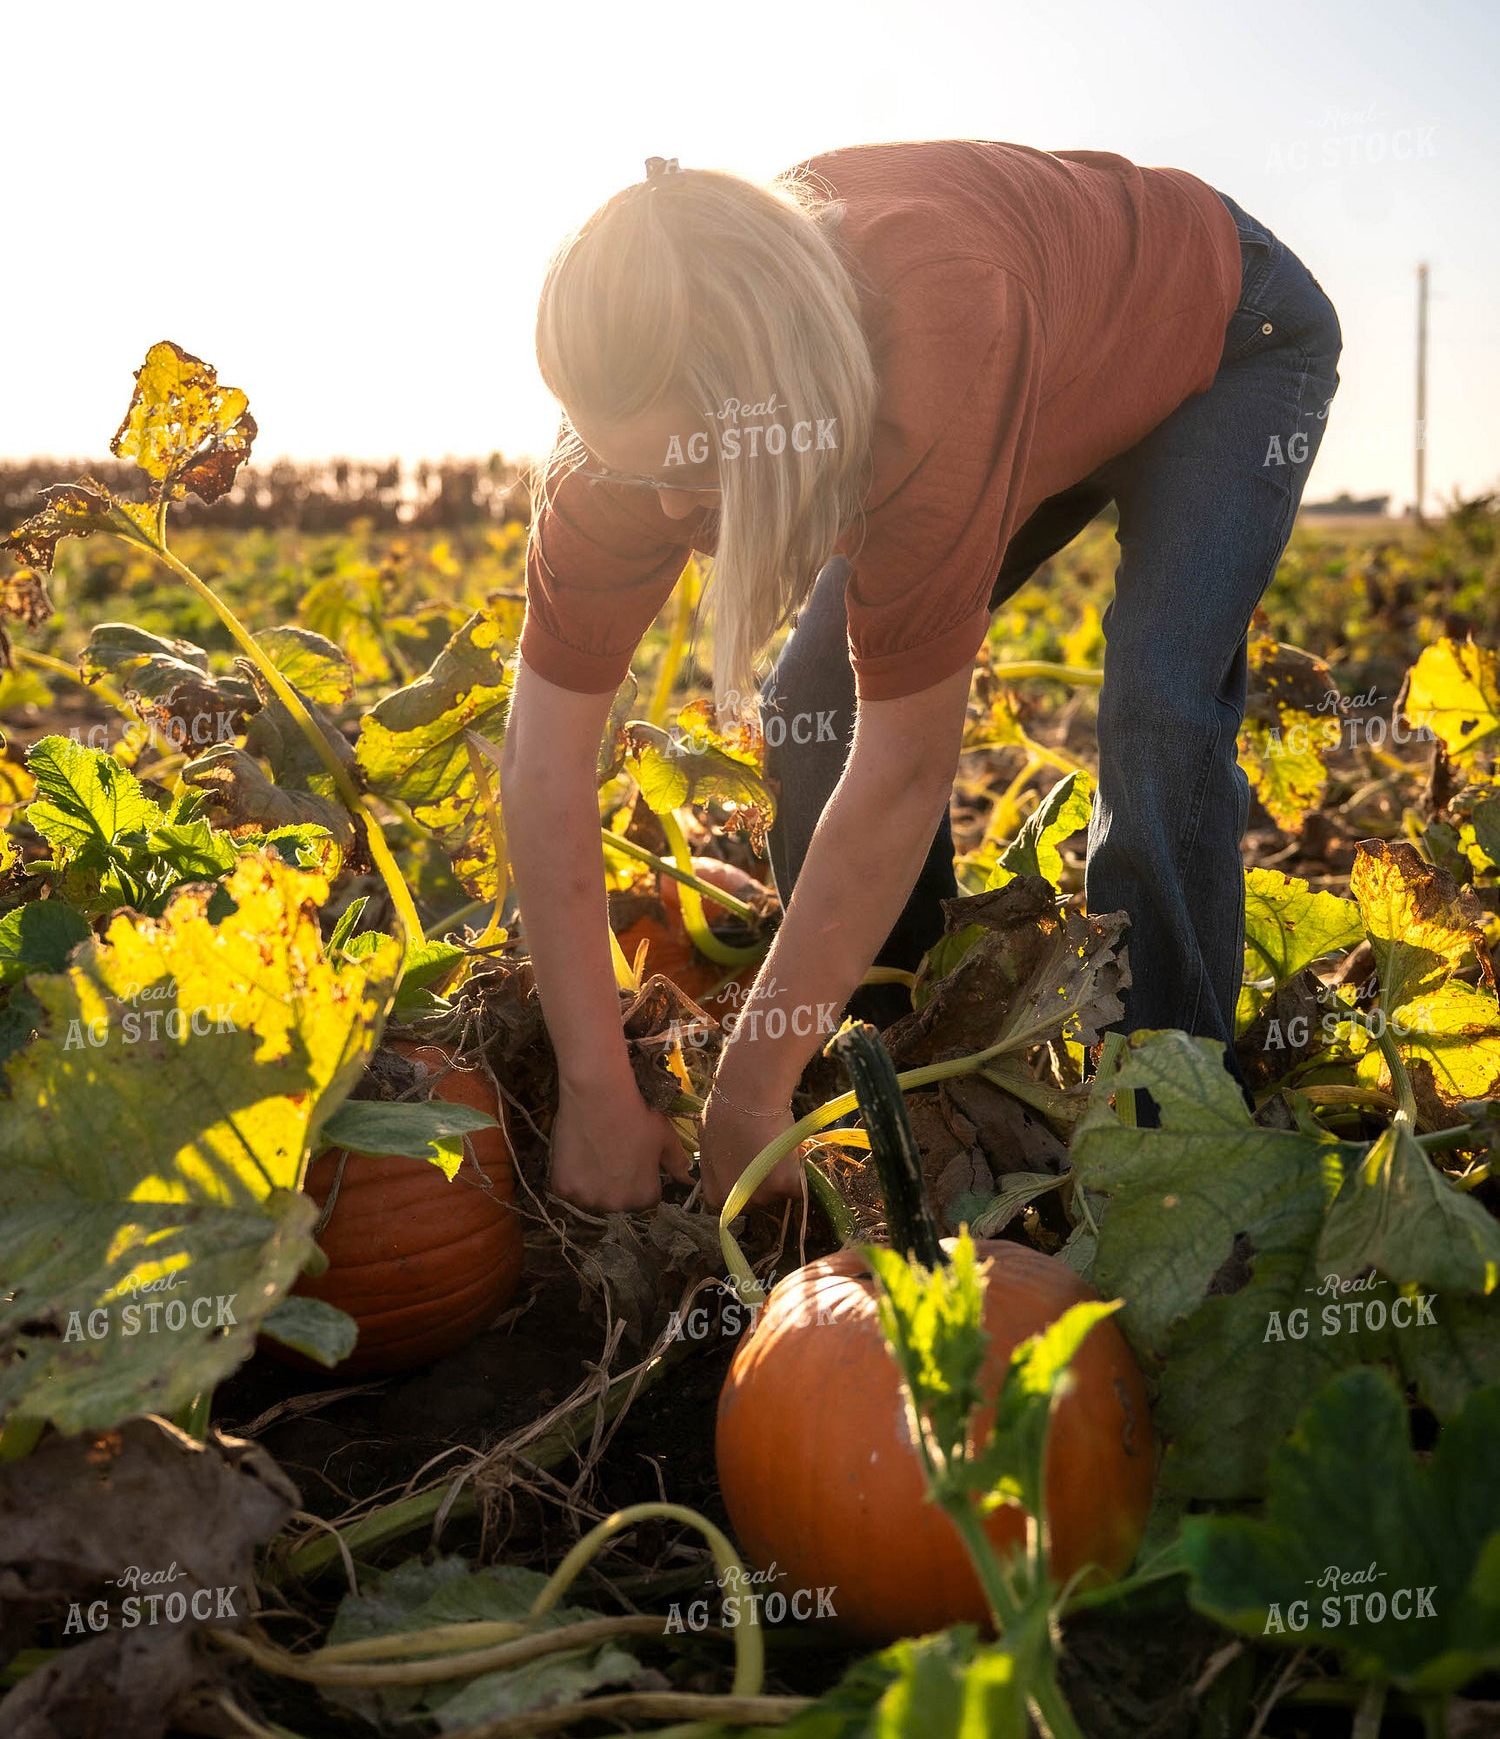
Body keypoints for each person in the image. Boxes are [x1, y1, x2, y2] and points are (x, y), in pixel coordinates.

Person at [501, 142, 1342, 1215]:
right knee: (812, 709)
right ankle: (908, 1039)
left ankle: (1169, 1120)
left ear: (777, 401)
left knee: (1158, 710)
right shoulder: (621, 463)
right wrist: (594, 1088)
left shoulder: (932, 350)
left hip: (1227, 337)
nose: (669, 510)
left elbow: (903, 772)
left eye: (696, 470)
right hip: (1041, 360)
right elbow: (540, 769)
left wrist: (748, 1096)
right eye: (637, 468)